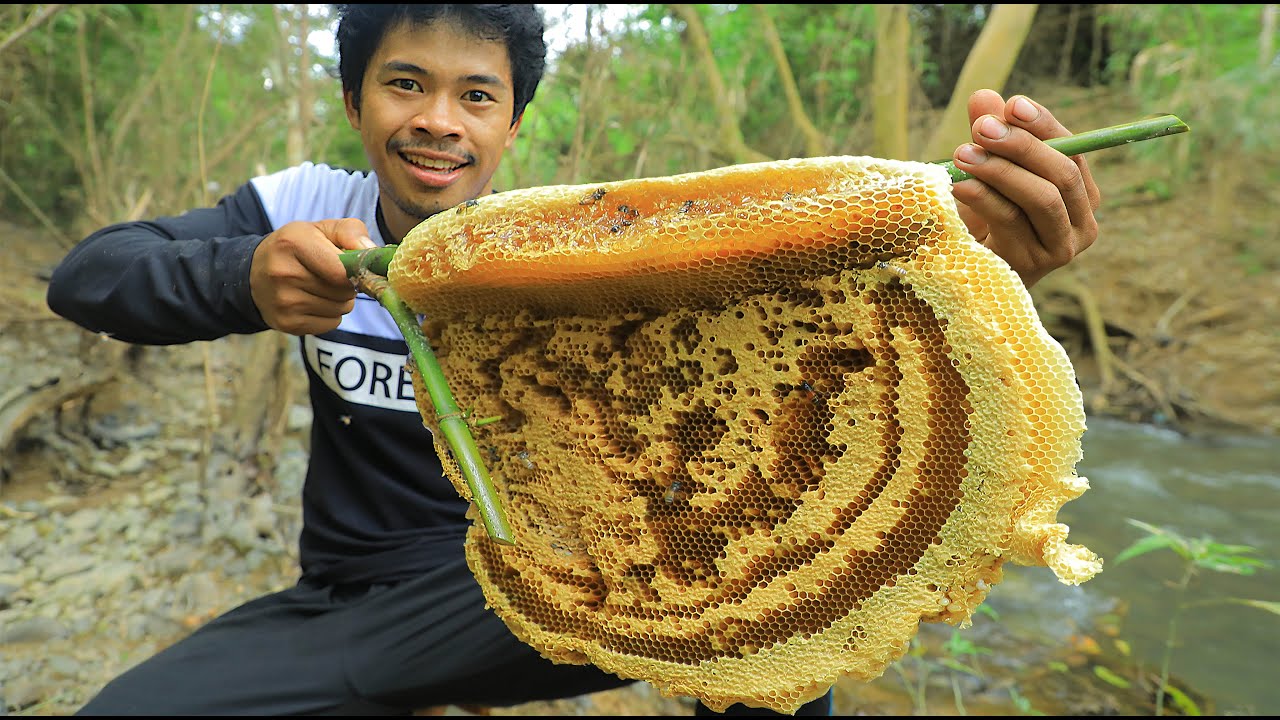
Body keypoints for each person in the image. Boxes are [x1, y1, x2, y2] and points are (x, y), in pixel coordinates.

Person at [45, 4, 1100, 716]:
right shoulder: (300, 205)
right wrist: (243, 275)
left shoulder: (562, 253)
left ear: (511, 124)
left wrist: (978, 263)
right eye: (405, 84)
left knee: (780, 610)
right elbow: (92, 275)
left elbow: (781, 344)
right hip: (345, 598)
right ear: (356, 100)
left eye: (475, 96)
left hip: (533, 582)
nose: (437, 122)